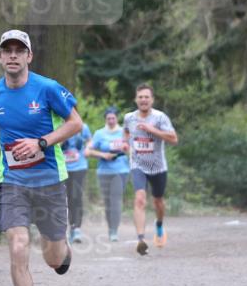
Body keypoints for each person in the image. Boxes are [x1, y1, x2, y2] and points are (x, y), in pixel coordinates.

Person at [0, 29, 83, 286]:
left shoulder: (48, 88)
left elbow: (75, 123)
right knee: (19, 245)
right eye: (6, 50)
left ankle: (61, 251)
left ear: (28, 56)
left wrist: (40, 142)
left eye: (18, 50)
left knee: (54, 258)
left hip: (49, 179)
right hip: (13, 182)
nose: (12, 55)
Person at [123, 84, 178, 255]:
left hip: (158, 166)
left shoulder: (160, 118)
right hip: (138, 165)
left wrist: (151, 130)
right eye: (140, 97)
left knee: (158, 202)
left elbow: (174, 139)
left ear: (152, 100)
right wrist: (126, 144)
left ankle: (159, 225)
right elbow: (125, 132)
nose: (143, 100)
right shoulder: (129, 118)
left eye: (147, 97)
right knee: (140, 199)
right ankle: (141, 240)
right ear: (136, 99)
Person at [85, 107, 130, 242]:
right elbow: (87, 151)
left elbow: (132, 149)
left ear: (117, 118)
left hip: (121, 170)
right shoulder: (99, 133)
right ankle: (111, 228)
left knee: (115, 200)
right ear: (105, 119)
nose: (111, 120)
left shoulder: (124, 132)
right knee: (108, 202)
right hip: (104, 171)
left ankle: (114, 231)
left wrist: (127, 150)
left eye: (113, 118)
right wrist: (102, 154)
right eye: (108, 118)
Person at [63, 120, 92, 243]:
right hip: (62, 168)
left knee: (76, 197)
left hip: (79, 167)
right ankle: (64, 229)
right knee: (64, 199)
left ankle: (76, 229)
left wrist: (88, 149)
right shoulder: (57, 125)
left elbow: (90, 140)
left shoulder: (82, 126)